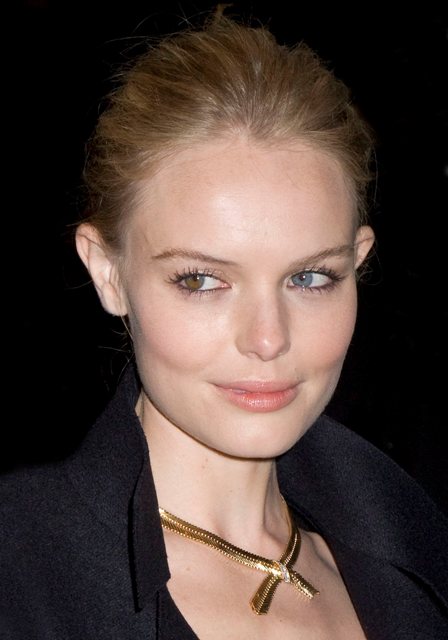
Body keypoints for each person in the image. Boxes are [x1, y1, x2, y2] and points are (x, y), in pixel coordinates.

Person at [2, 8, 447, 639]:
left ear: (359, 262)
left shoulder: (420, 552)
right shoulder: (19, 576)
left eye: (309, 278)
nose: (268, 339)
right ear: (108, 272)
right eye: (201, 281)